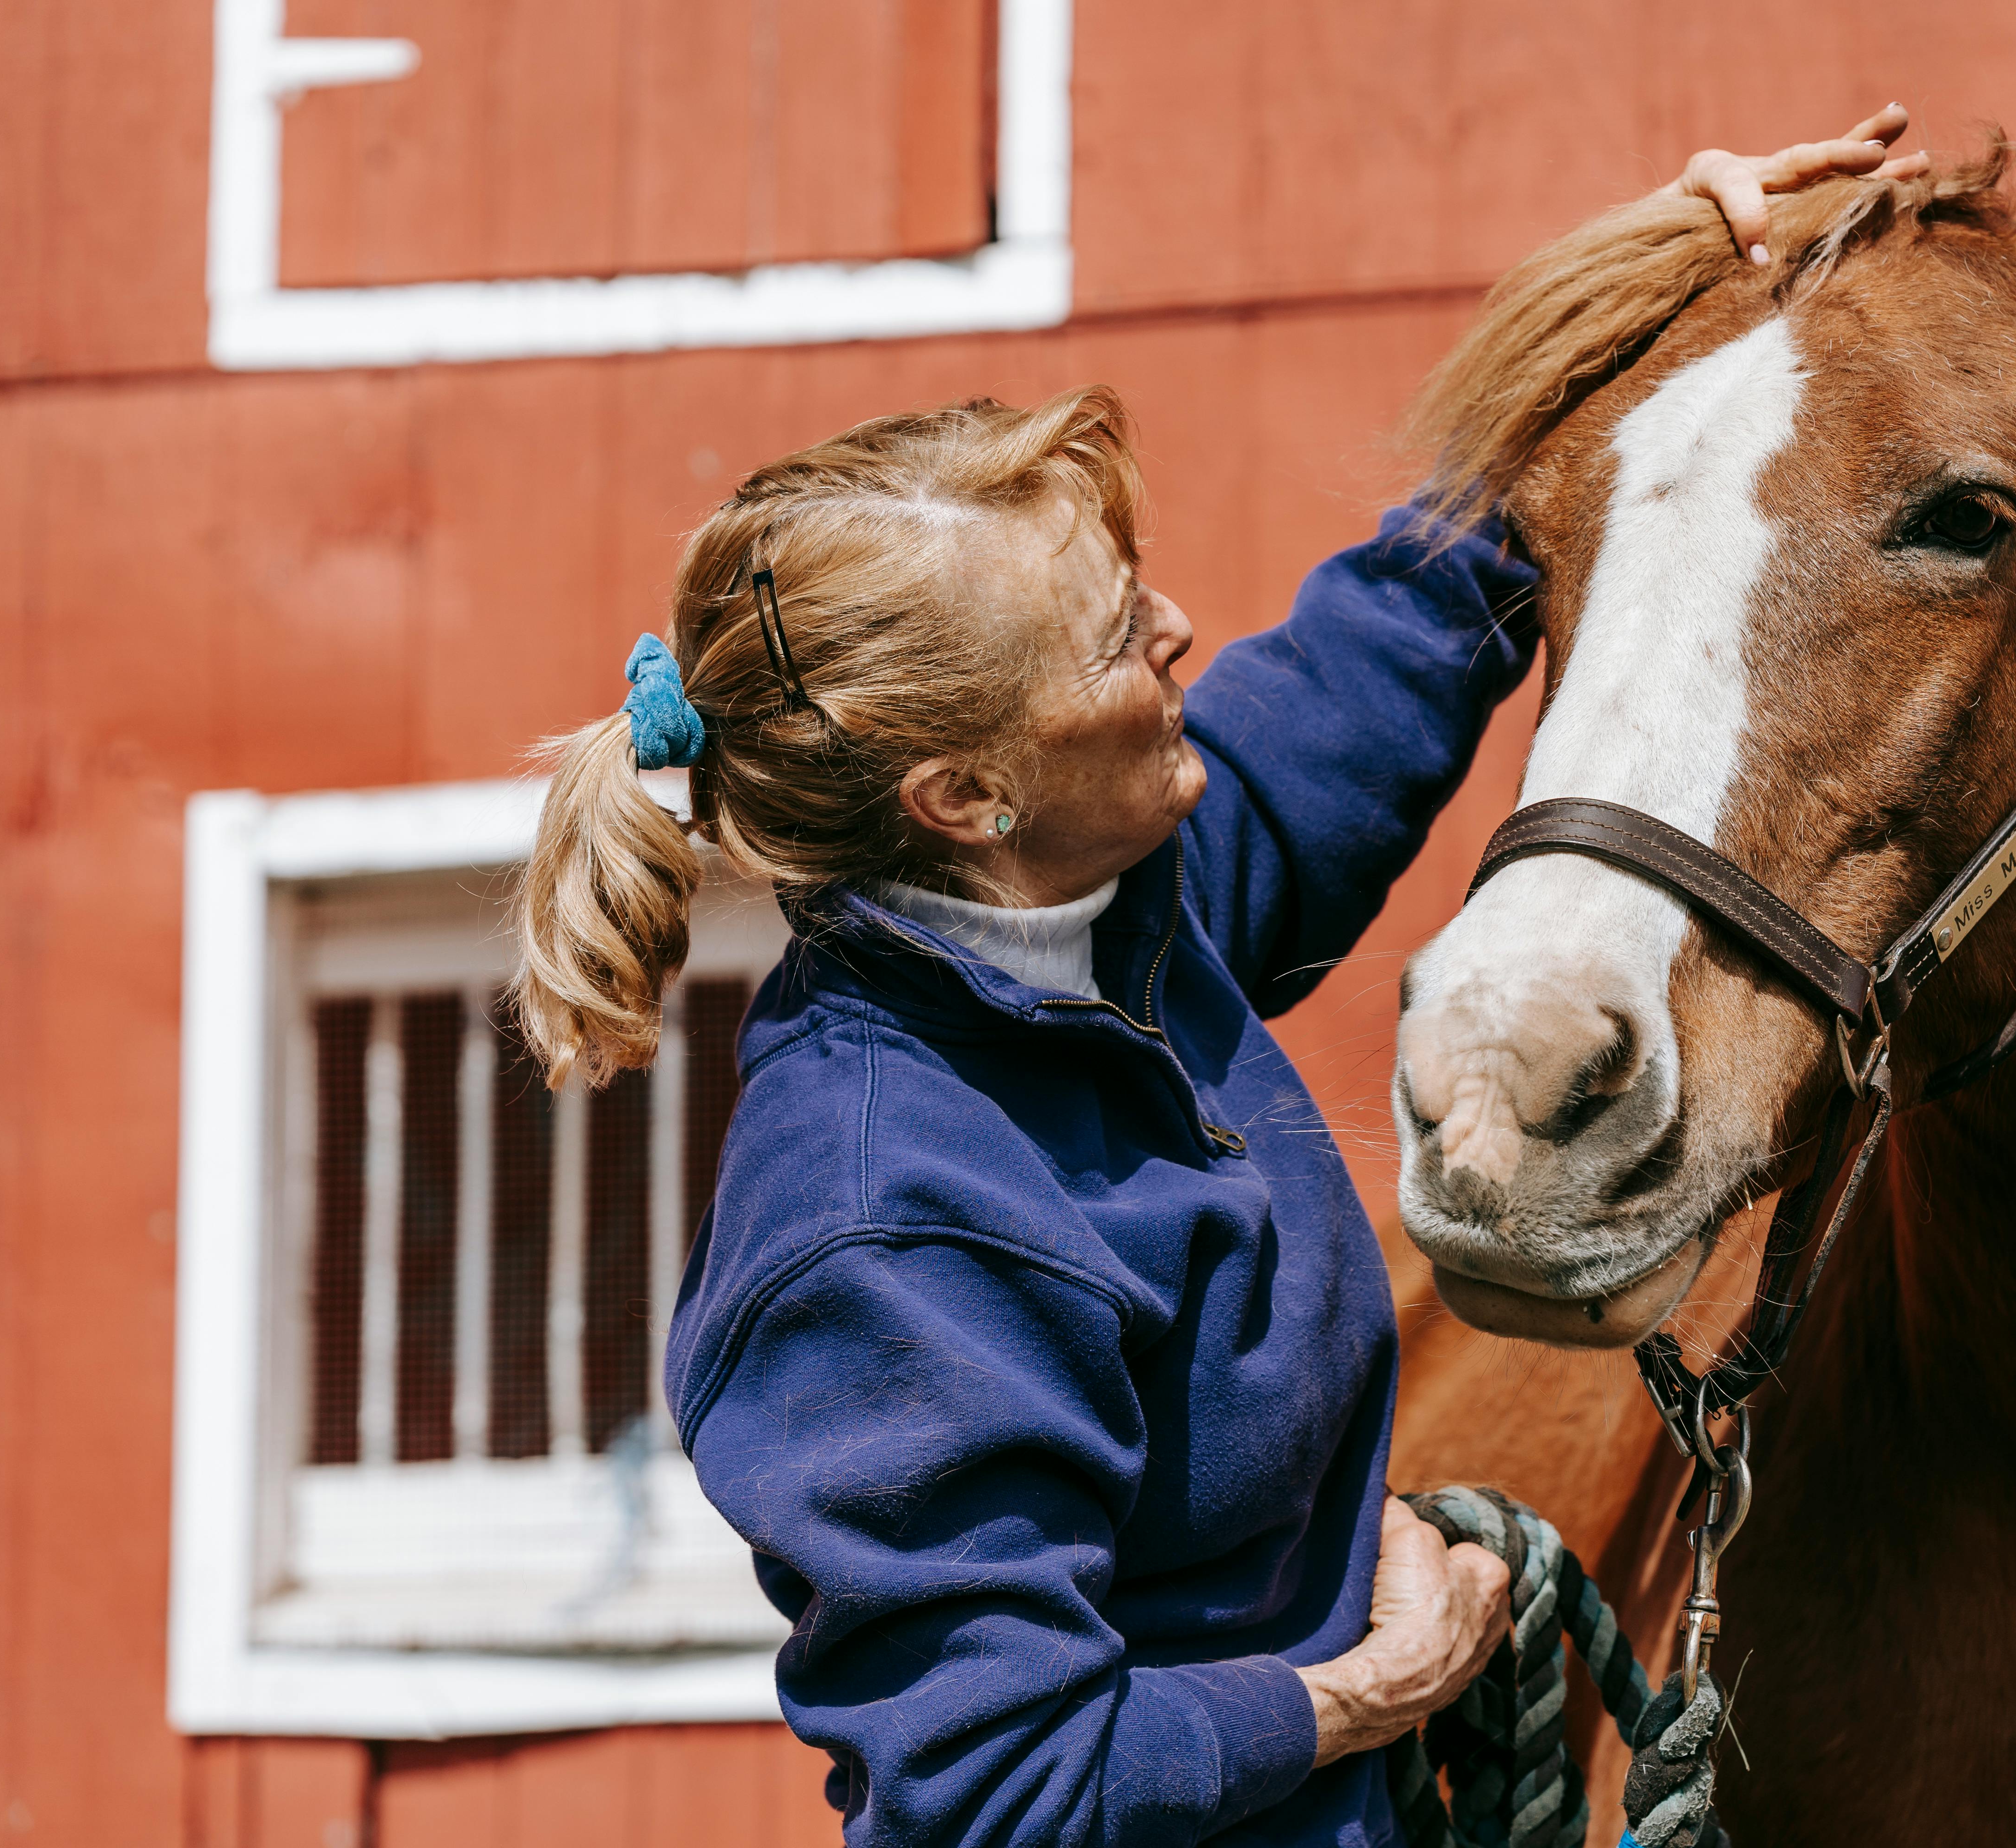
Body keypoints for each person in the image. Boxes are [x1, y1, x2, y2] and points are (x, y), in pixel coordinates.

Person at [515, 113, 1929, 1848]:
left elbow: (1366, 672)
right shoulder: (886, 1230)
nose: (1180, 628)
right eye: (1117, 639)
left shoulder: (1110, 918)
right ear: (963, 797)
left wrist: (1634, 288)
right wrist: (1372, 1690)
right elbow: (999, 1792)